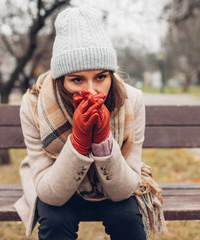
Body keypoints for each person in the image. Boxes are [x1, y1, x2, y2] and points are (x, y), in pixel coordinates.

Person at [14, 7, 167, 240]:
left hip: (112, 180)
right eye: (77, 79)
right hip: (57, 182)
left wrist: (103, 142)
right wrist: (78, 142)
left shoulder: (131, 100)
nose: (91, 90)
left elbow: (125, 189)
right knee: (55, 221)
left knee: (127, 219)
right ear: (60, 79)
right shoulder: (33, 104)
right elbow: (49, 194)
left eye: (100, 77)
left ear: (110, 75)